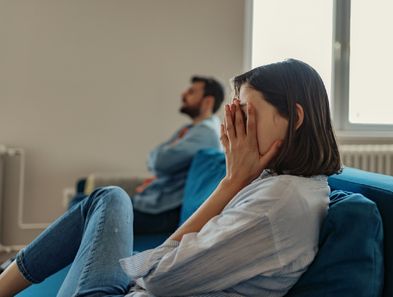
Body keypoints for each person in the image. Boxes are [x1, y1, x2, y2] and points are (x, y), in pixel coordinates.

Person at [0, 59, 341, 297]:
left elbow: (157, 278)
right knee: (107, 199)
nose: (236, 129)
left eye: (246, 115)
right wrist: (237, 180)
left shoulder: (278, 202)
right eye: (234, 116)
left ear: (294, 117)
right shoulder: (281, 184)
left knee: (108, 199)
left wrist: (230, 184)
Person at [70, 76, 224, 234]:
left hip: (161, 211)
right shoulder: (191, 129)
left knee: (81, 204)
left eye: (191, 92)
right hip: (153, 202)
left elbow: (158, 161)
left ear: (208, 102)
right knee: (82, 200)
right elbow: (153, 161)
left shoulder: (205, 133)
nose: (183, 94)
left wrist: (163, 161)